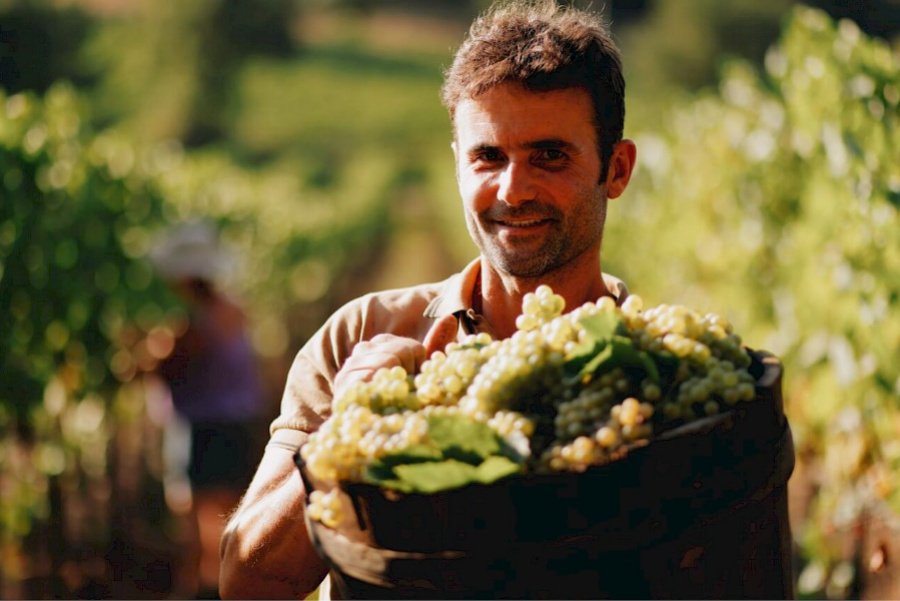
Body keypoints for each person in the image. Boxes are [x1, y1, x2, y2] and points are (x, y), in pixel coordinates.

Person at [219, 1, 637, 598]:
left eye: (550, 156)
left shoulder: (658, 371)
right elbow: (247, 581)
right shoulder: (357, 336)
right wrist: (347, 428)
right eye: (488, 156)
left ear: (615, 170)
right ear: (458, 169)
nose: (513, 190)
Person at [149, 221, 267, 599]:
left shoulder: (194, 325)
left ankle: (205, 592)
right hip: (236, 425)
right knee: (230, 520)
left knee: (199, 529)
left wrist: (147, 352)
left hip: (203, 430)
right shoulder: (234, 310)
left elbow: (164, 367)